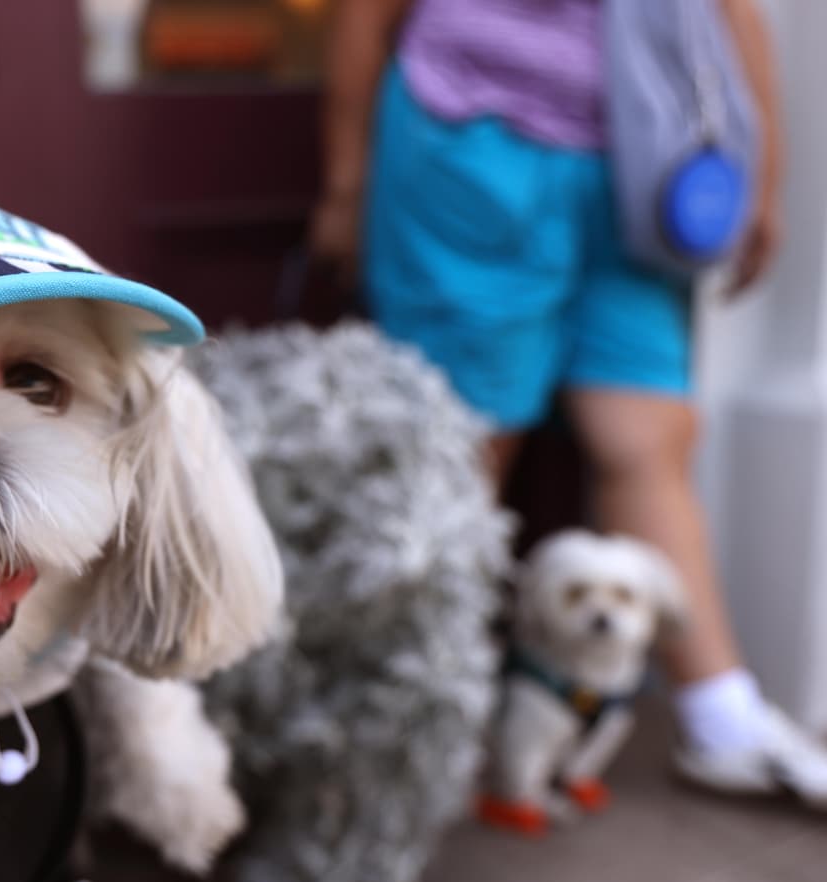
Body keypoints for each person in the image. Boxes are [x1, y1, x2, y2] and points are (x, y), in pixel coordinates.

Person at [310, 0, 827, 807]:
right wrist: (346, 183)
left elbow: (735, 9)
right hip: (471, 142)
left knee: (649, 437)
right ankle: (396, 735)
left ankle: (723, 717)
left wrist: (761, 170)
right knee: (463, 451)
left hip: (643, 161)